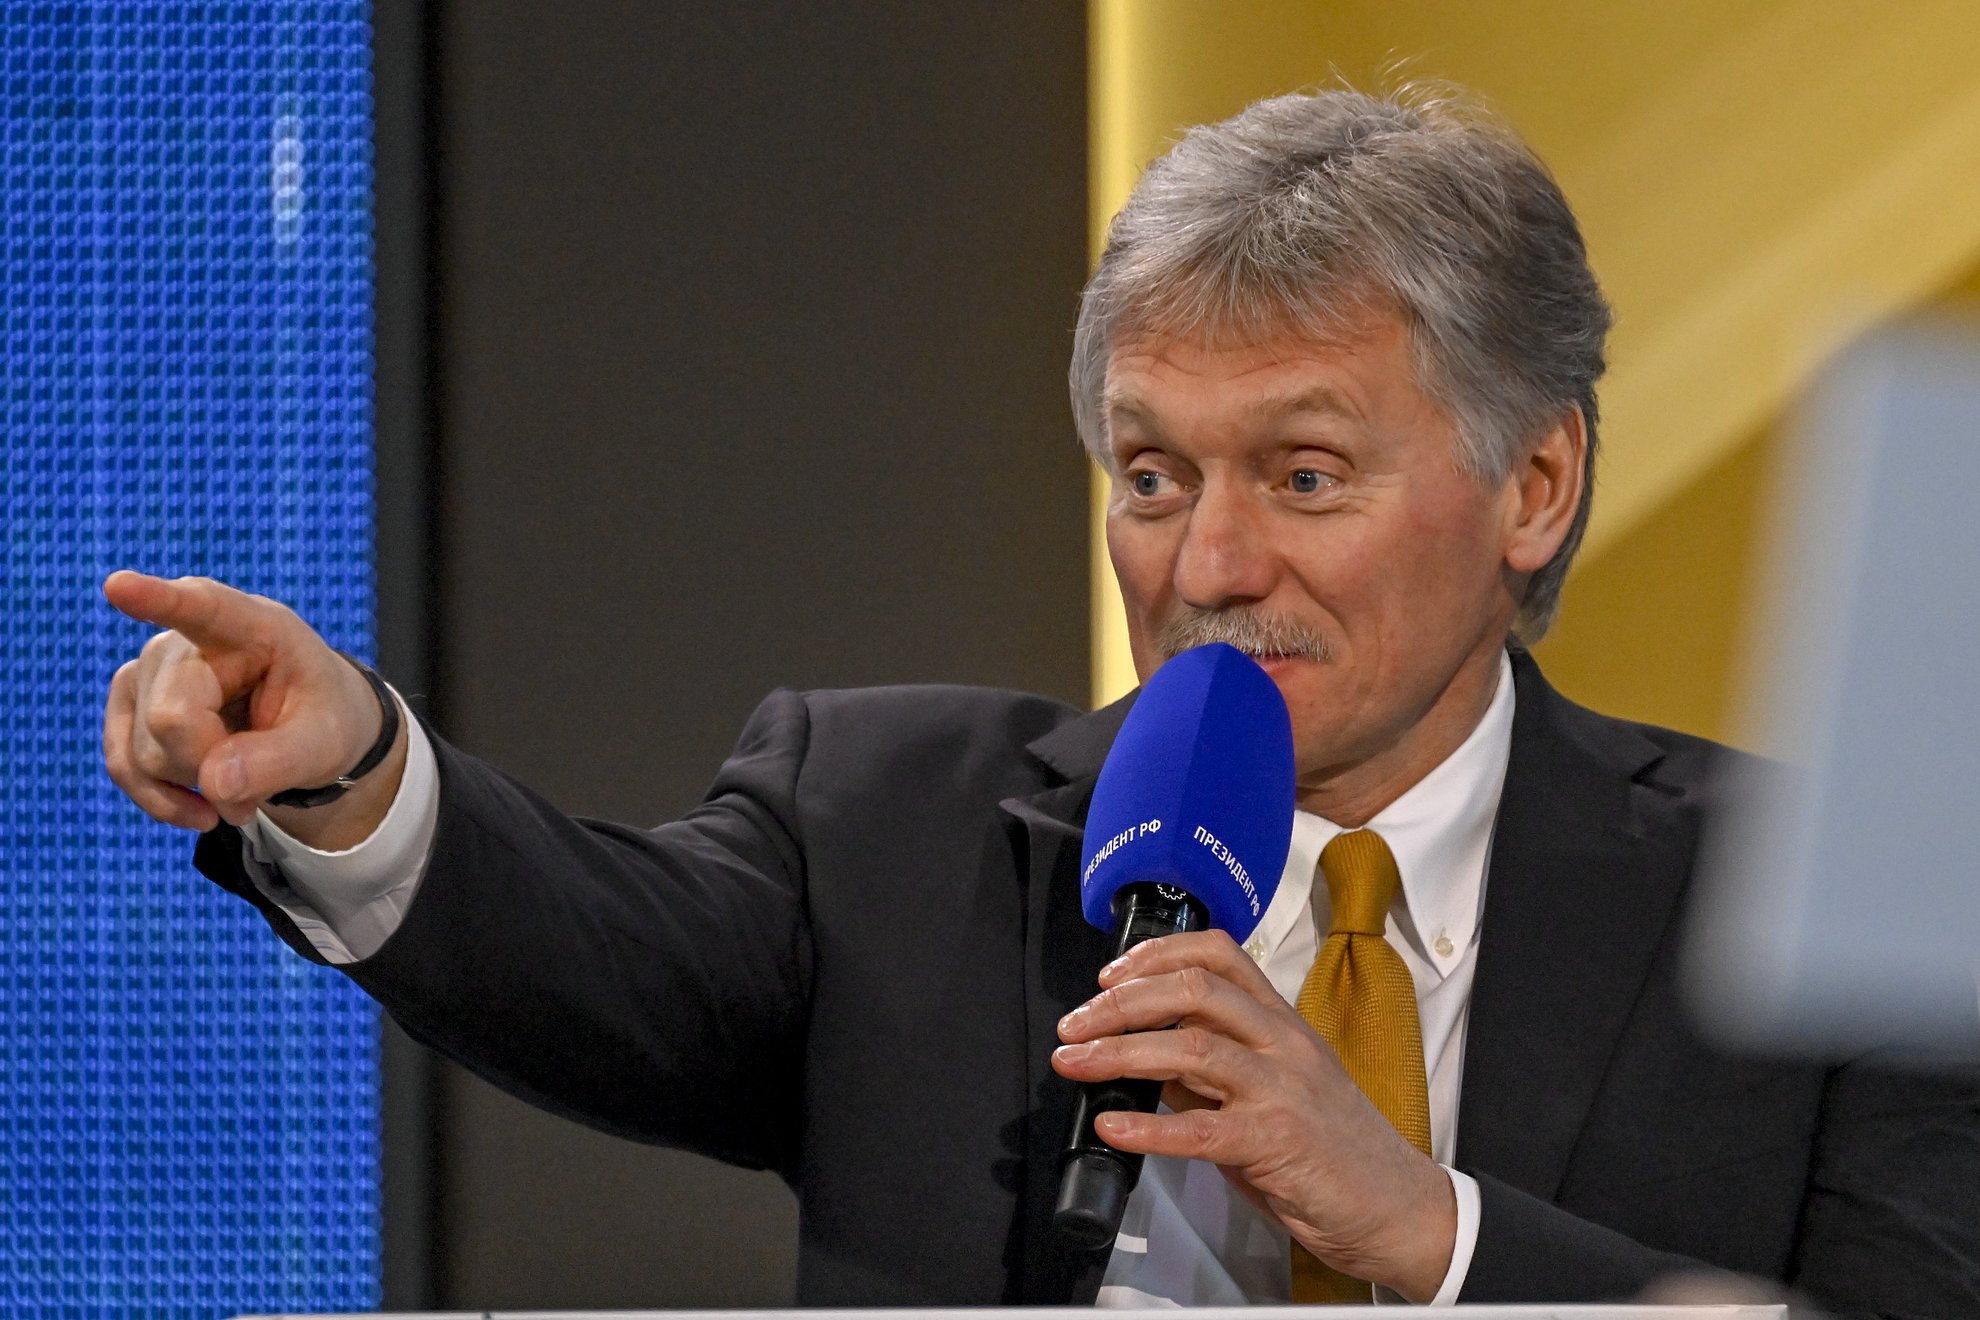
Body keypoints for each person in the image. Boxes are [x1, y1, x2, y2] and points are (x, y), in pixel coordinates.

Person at [101, 87, 1980, 1313]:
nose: (1210, 561)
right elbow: (586, 948)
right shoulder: (886, 821)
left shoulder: (1845, 905)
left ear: (1537, 486)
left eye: (1304, 474)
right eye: (1154, 475)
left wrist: (1429, 1229)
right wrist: (352, 773)